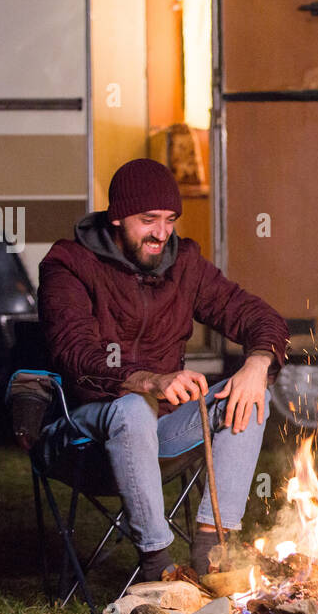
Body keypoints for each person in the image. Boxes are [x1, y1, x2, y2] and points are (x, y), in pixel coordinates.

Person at [38, 158, 289, 581]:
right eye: (148, 219)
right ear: (117, 216)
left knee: (251, 392)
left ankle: (212, 553)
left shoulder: (183, 265)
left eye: (170, 220)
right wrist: (150, 381)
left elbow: (258, 316)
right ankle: (157, 566)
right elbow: (74, 353)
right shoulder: (69, 265)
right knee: (134, 408)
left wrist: (258, 362)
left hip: (163, 433)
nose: (161, 232)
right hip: (82, 430)